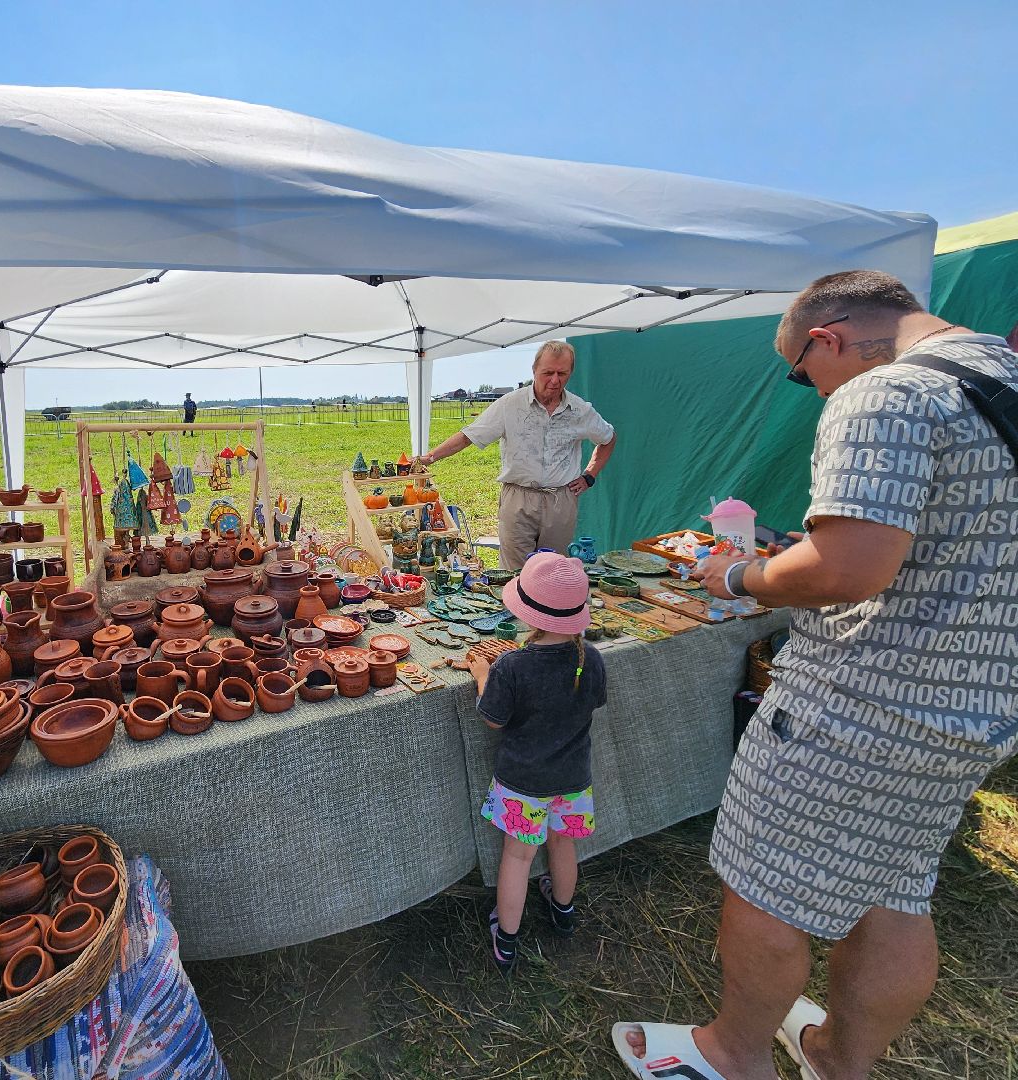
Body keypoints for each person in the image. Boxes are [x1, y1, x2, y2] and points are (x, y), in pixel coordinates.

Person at [616, 270, 1018, 1080]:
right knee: (899, 891)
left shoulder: (885, 394)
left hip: (857, 703)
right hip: (977, 704)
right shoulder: (1002, 372)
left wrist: (741, 577)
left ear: (826, 338)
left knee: (762, 883)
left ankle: (733, 1055)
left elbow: (848, 565)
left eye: (802, 372)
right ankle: (839, 1059)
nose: (808, 387)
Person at [469, 553, 607, 973]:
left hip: (523, 782)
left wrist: (481, 675)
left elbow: (493, 719)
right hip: (572, 778)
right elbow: (590, 704)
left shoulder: (511, 666)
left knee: (518, 857)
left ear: (527, 613)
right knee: (563, 844)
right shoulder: (591, 658)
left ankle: (507, 939)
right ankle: (563, 910)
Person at [416, 342, 616, 570]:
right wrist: (430, 457)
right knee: (514, 573)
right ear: (534, 370)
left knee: (553, 571)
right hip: (518, 498)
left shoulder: (580, 410)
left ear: (570, 373)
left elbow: (608, 439)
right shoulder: (510, 404)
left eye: (562, 373)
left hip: (561, 501)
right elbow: (468, 436)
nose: (555, 380)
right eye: (548, 373)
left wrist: (589, 475)